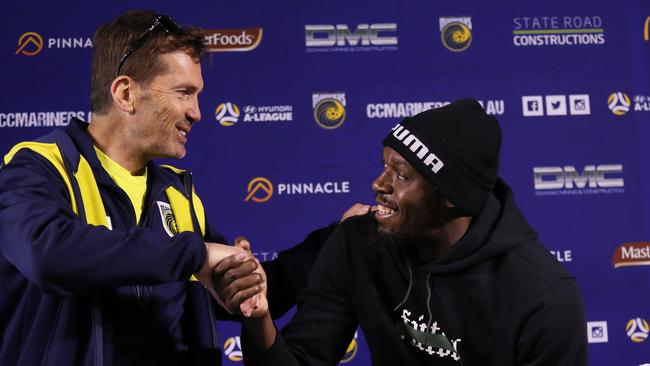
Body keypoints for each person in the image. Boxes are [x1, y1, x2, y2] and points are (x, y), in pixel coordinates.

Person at [0, 10, 338, 366]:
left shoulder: (178, 195)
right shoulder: (38, 167)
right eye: (184, 92)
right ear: (126, 93)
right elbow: (47, 254)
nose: (197, 112)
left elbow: (231, 290)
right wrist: (196, 255)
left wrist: (333, 243)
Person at [227, 99, 588, 365]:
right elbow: (304, 358)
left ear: (450, 195)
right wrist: (259, 320)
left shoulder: (543, 295)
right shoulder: (357, 243)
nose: (378, 183)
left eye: (400, 174)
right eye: (383, 166)